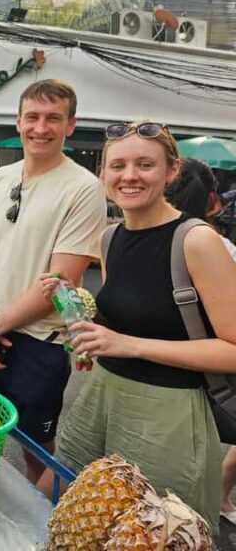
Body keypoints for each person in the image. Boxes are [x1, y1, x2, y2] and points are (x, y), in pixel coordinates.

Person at [36, 122, 236, 531]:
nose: (129, 176)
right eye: (118, 165)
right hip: (102, 398)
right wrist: (79, 317)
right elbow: (122, 319)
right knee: (54, 499)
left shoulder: (195, 240)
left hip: (168, 413)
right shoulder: (110, 238)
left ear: (171, 171)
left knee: (146, 533)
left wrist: (128, 344)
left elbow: (232, 348)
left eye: (145, 164)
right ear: (103, 174)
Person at [0, 79, 107, 484]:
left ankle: (40, 524)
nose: (41, 128)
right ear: (18, 122)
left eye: (53, 119)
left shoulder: (83, 188)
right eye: (33, 118)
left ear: (70, 125)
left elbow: (62, 284)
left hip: (37, 341)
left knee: (34, 448)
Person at [165, 157, 236, 525]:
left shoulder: (143, 241)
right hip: (212, 374)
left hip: (160, 378)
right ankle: (219, 496)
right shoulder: (218, 247)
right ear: (213, 200)